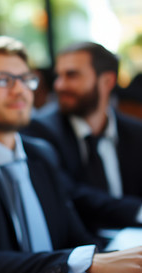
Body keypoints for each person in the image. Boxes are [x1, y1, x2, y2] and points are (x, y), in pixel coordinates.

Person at [0, 36, 142, 273]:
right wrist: (86, 263)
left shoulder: (42, 153)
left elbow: (75, 236)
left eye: (25, 78)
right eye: (2, 79)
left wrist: (122, 262)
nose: (19, 90)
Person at [23, 42, 142, 234]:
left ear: (107, 82)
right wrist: (138, 211)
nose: (59, 85)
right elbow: (71, 194)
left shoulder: (135, 132)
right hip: (85, 245)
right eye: (58, 76)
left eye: (72, 75)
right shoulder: (39, 131)